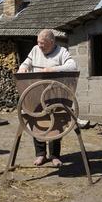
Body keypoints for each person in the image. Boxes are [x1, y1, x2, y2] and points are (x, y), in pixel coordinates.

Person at [18, 29, 77, 167]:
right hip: (36, 93)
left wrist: (53, 69)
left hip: (55, 94)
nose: (40, 46)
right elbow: (26, 63)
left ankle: (55, 156)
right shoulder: (35, 50)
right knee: (36, 121)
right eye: (38, 42)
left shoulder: (62, 52)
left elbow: (72, 66)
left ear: (52, 42)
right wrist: (23, 67)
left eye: (43, 43)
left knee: (56, 123)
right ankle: (40, 155)